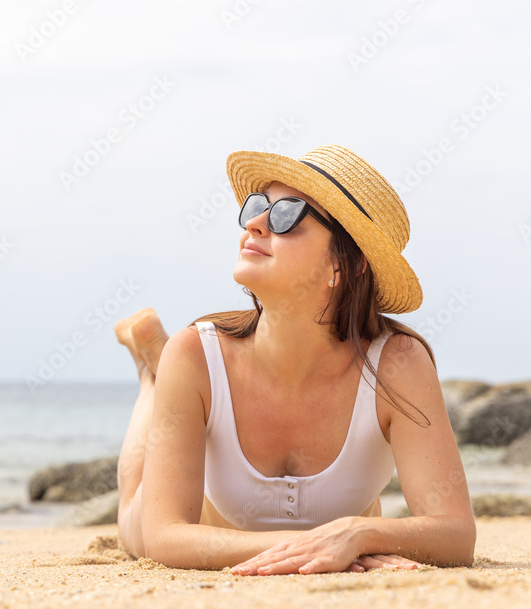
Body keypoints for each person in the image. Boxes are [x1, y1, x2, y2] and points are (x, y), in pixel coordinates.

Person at [113, 145, 475, 575]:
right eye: (257, 206)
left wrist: (356, 534)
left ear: (345, 264)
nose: (255, 223)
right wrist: (321, 540)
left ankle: (158, 376)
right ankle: (151, 376)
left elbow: (456, 533)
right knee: (134, 512)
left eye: (287, 215)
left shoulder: (397, 365)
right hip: (210, 521)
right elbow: (164, 536)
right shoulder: (195, 354)